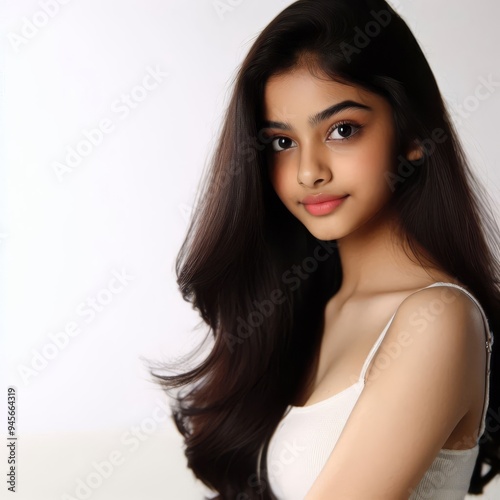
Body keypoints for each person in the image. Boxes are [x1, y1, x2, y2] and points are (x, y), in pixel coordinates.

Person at [147, 0, 500, 498]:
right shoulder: (308, 307)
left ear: (413, 135)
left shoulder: (438, 318)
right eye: (281, 143)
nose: (309, 171)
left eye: (342, 130)